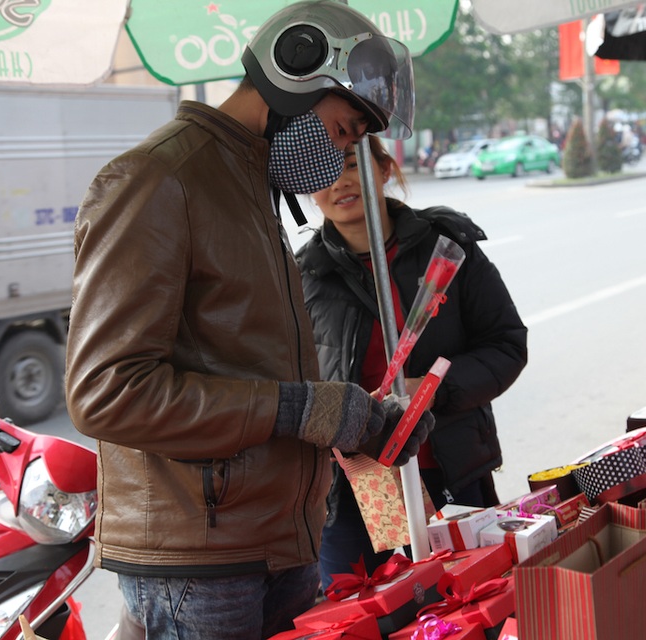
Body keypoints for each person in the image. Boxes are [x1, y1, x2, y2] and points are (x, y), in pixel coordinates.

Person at [64, 2, 433, 638]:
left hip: (277, 543)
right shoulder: (158, 180)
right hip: (202, 563)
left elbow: (246, 364)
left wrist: (360, 418)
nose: (341, 151)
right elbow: (107, 393)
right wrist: (299, 410)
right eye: (343, 129)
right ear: (295, 74)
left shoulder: (246, 185)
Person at [296, 135, 528, 587]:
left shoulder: (448, 247)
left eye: (349, 163)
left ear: (383, 169)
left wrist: (432, 390)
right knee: (364, 618)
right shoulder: (303, 277)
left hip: (452, 469)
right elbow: (291, 388)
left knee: (469, 603)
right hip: (352, 492)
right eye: (320, 174)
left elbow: (506, 345)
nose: (339, 182)